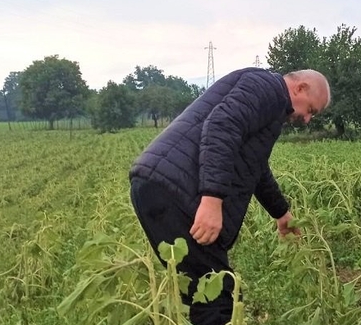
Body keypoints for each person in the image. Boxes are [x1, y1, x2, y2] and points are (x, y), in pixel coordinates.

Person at [129, 67, 330, 325]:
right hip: (176, 192)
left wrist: (282, 213)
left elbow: (255, 167)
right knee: (220, 296)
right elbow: (222, 125)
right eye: (311, 110)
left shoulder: (269, 100)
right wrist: (212, 199)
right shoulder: (268, 88)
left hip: (163, 186)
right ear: (300, 88)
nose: (307, 119)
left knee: (207, 292)